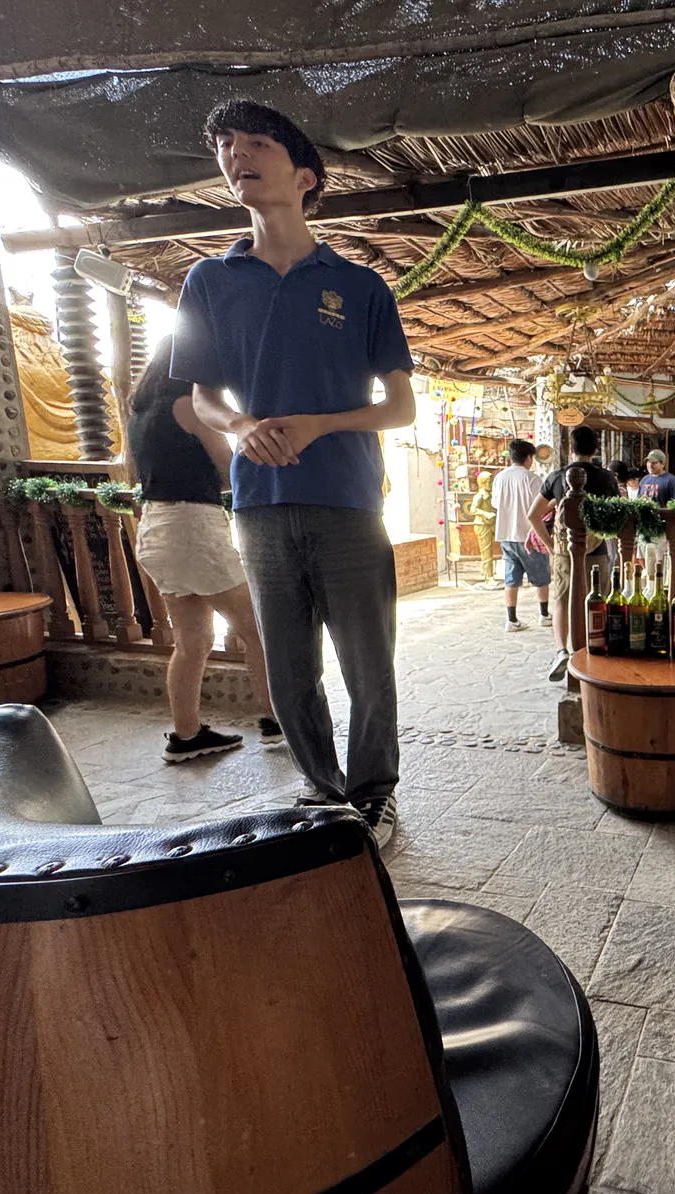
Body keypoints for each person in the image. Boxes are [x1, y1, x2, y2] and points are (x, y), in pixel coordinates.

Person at [170, 99, 416, 849]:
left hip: (347, 500)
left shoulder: (361, 286)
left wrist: (322, 423)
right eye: (225, 145)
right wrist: (241, 427)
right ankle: (322, 784)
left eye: (255, 143)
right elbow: (202, 398)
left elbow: (401, 407)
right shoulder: (210, 282)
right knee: (287, 667)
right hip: (261, 505)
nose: (235, 154)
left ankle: (374, 791)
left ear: (305, 175)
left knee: (368, 664)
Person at [126, 338, 279, 764]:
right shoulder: (189, 405)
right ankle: (276, 720)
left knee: (192, 640)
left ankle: (187, 734)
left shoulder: (140, 413)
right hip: (192, 525)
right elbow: (227, 465)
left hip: (156, 527)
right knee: (256, 627)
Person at [526, 425, 619, 681]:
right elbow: (616, 515)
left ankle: (562, 651)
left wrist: (549, 545)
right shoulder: (607, 479)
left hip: (565, 553)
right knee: (597, 601)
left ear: (571, 448)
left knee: (562, 601)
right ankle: (593, 650)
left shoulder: (557, 477)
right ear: (596, 448)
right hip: (597, 551)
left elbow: (533, 515)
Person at [493, 439, 550, 632]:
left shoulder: (499, 478)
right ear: (528, 458)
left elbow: (495, 504)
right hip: (529, 536)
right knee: (541, 576)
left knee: (511, 579)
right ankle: (544, 615)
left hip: (506, 535)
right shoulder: (532, 479)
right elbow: (540, 507)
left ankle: (512, 619)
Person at [637, 448, 675, 578]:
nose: (650, 465)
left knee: (658, 558)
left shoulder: (670, 480)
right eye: (648, 462)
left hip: (660, 527)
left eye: (654, 462)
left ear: (662, 464)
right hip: (644, 526)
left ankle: (658, 580)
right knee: (642, 555)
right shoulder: (644, 480)